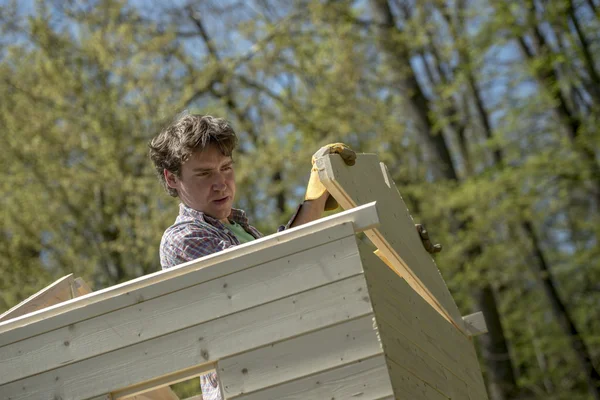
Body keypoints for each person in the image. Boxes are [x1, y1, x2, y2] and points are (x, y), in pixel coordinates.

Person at [148, 113, 440, 399]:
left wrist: (390, 261)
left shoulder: (238, 229)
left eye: (226, 168)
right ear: (172, 179)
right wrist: (312, 206)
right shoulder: (184, 238)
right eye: (204, 173)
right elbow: (274, 280)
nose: (221, 182)